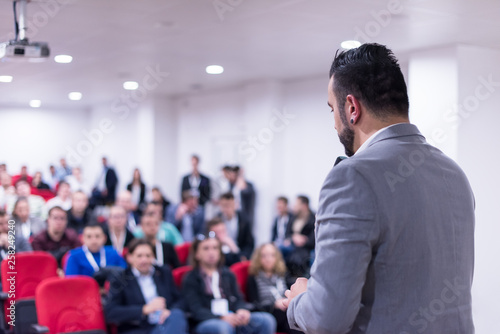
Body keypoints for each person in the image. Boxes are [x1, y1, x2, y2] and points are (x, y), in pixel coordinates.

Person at [284, 44, 475, 334]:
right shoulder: (455, 173)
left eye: (332, 109)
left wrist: (300, 301)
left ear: (351, 108)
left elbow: (327, 319)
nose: (334, 124)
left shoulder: (352, 176)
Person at [182, 234, 276, 334]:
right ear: (197, 254)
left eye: (215, 248)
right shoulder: (191, 278)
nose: (211, 252)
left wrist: (241, 310)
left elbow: (238, 298)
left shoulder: (228, 274)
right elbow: (196, 310)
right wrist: (221, 317)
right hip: (208, 321)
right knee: (224, 328)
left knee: (267, 320)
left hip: (232, 317)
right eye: (206, 248)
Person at [105, 238, 188, 334]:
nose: (144, 260)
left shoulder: (163, 272)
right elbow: (111, 312)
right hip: (139, 328)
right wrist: (144, 309)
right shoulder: (120, 279)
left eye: (148, 256)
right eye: (139, 256)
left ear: (153, 257)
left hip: (165, 322)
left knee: (177, 314)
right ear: (129, 257)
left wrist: (169, 312)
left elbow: (180, 300)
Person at [247, 243, 300, 334]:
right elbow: (254, 305)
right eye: (264, 256)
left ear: (277, 258)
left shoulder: (282, 274)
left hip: (287, 308)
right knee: (292, 321)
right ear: (258, 258)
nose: (268, 259)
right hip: (270, 313)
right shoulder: (253, 278)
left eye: (272, 255)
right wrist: (274, 305)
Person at [282, 195, 315, 278]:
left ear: (304, 206)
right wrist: (294, 237)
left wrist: (303, 240)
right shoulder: (293, 217)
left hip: (306, 247)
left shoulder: (313, 218)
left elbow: (313, 239)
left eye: (297, 204)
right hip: (291, 244)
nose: (294, 206)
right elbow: (287, 234)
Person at [218, 192, 254, 260]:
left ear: (235, 205)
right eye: (224, 206)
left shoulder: (244, 220)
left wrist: (244, 256)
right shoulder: (216, 220)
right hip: (220, 254)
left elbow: (249, 243)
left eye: (229, 205)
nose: (226, 209)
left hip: (238, 253)